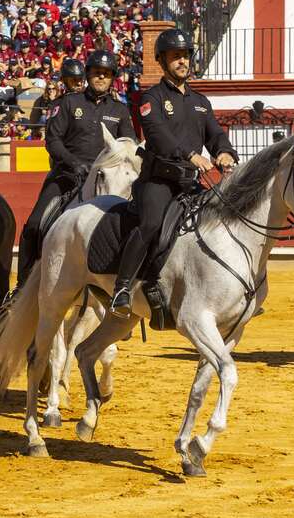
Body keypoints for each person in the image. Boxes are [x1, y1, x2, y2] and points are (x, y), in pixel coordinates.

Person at [110, 27, 237, 313]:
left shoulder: (200, 102)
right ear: (163, 61)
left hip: (190, 184)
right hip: (157, 182)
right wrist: (191, 155)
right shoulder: (150, 98)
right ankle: (122, 287)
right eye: (175, 56)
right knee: (151, 224)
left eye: (185, 56)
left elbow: (215, 134)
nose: (182, 61)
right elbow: (157, 135)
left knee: (219, 219)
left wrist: (224, 152)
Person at [16, 51, 133, 288]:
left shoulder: (120, 111)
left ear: (113, 79)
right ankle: (22, 285)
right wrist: (74, 163)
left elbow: (129, 145)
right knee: (35, 224)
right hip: (67, 177)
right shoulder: (70, 103)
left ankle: (125, 285)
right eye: (96, 73)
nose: (101, 77)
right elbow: (53, 140)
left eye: (106, 74)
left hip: (106, 181)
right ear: (88, 75)